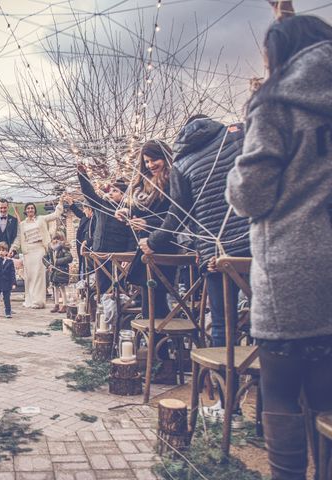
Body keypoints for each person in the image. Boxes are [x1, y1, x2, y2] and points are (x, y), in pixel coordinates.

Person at [226, 15, 332, 479]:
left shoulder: (277, 103)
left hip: (293, 264)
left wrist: (234, 174)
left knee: (283, 392)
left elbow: (251, 194)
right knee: (329, 398)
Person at [145, 116, 249, 349]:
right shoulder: (239, 135)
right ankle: (259, 379)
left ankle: (224, 380)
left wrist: (152, 241)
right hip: (254, 244)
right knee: (264, 318)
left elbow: (179, 213)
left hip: (216, 253)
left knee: (223, 323)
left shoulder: (182, 163)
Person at [118, 140, 175, 321]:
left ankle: (161, 345)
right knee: (148, 302)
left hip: (164, 247)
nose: (150, 165)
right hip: (144, 247)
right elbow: (139, 213)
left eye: (153, 160)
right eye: (147, 162)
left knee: (157, 303)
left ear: (164, 157)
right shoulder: (143, 185)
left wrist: (147, 223)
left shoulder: (172, 181)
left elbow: (175, 217)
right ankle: (156, 345)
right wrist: (127, 212)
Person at [76, 164, 133, 295]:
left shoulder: (127, 210)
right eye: (110, 190)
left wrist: (129, 255)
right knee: (101, 286)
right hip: (100, 252)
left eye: (115, 191)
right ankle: (104, 311)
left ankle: (119, 312)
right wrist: (83, 175)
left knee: (119, 286)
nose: (111, 193)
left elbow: (131, 234)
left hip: (119, 254)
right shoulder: (102, 205)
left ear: (123, 194)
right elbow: (89, 193)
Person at [12, 199, 64, 309]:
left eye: (32, 208)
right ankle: (30, 300)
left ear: (34, 210)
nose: (30, 210)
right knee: (29, 277)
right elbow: (18, 239)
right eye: (28, 208)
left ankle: (39, 301)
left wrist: (60, 203)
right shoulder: (22, 224)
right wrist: (13, 248)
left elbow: (55, 215)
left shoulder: (41, 219)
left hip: (39, 249)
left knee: (39, 276)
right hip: (28, 251)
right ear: (25, 211)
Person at [65, 197, 95, 279]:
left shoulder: (95, 220)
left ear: (90, 209)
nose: (83, 211)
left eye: (84, 209)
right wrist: (71, 203)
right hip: (82, 250)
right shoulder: (85, 217)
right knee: (82, 270)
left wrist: (87, 242)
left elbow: (96, 235)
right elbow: (79, 213)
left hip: (89, 251)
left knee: (88, 272)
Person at [43, 232, 73, 313]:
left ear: (61, 239)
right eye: (54, 239)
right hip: (53, 272)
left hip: (62, 271)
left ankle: (64, 305)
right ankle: (56, 304)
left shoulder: (64, 248)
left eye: (57, 239)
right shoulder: (50, 248)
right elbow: (45, 258)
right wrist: (48, 265)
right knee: (55, 287)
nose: (55, 241)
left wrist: (57, 262)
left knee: (62, 288)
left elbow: (69, 258)